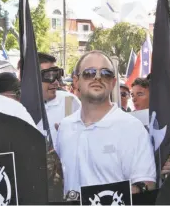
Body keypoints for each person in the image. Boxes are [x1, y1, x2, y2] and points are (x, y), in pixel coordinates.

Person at [56, 50, 156, 195]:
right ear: (76, 81)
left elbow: (146, 183)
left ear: (113, 82)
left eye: (105, 74)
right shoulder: (65, 127)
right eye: (89, 73)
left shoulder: (131, 128)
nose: (97, 78)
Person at [36, 52, 81, 150]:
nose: (56, 82)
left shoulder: (68, 101)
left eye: (57, 75)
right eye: (49, 76)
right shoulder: (17, 109)